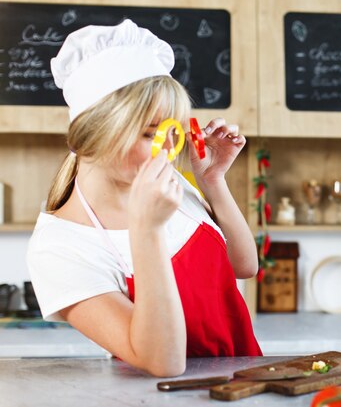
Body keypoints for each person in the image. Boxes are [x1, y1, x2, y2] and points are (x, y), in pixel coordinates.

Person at [27, 19, 262, 377]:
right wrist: (146, 230)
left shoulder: (169, 188)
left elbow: (243, 267)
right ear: (89, 138)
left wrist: (213, 181)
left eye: (172, 132)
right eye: (150, 133)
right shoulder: (59, 247)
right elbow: (162, 361)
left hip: (241, 385)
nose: (168, 150)